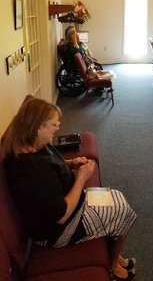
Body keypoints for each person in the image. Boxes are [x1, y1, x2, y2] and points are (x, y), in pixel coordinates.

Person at [2, 98, 137, 281]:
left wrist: (70, 163)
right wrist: (81, 178)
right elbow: (62, 215)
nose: (58, 127)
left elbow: (52, 168)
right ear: (37, 127)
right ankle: (112, 266)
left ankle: (113, 253)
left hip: (69, 201)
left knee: (116, 197)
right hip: (57, 231)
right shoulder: (31, 169)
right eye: (54, 124)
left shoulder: (33, 144)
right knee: (124, 212)